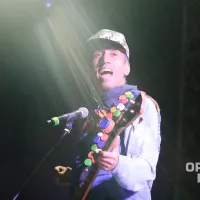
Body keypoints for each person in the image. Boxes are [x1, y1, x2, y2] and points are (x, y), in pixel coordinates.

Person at [55, 29, 161, 200]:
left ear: (126, 67)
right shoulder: (95, 112)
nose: (105, 60)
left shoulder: (140, 105)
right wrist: (71, 175)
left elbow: (147, 170)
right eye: (98, 55)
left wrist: (117, 164)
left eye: (114, 55)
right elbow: (95, 172)